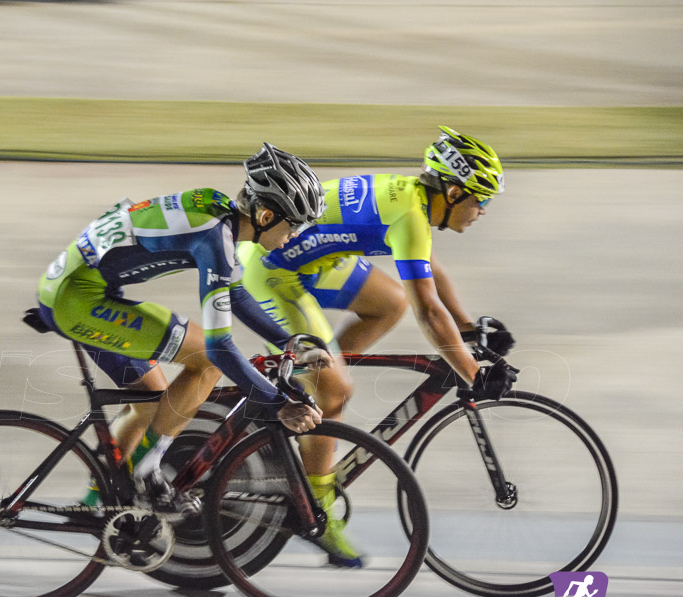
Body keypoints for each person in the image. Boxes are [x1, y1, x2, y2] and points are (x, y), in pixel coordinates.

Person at [35, 143, 356, 553]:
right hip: (79, 299)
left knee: (154, 406)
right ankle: (147, 477)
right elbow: (221, 349)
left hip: (76, 289)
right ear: (265, 215)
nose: (296, 234)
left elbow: (236, 295)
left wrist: (287, 340)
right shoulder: (213, 238)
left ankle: (99, 504)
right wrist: (276, 403)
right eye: (293, 225)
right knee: (205, 361)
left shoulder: (221, 214)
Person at [237, 126, 519, 563]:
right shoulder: (410, 213)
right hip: (273, 271)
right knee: (336, 391)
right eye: (481, 199)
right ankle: (317, 512)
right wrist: (474, 372)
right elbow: (428, 311)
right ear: (455, 190)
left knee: (388, 303)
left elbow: (423, 264)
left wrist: (464, 326)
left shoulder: (414, 201)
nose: (483, 211)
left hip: (311, 260)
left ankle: (311, 385)